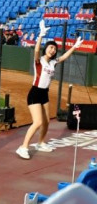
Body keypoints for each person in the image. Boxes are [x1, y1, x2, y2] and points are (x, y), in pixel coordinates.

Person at [15, 21, 83, 160]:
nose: (52, 50)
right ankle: (23, 147)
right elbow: (35, 50)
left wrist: (74, 46)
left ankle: (40, 143)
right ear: (46, 48)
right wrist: (41, 35)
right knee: (38, 122)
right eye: (51, 47)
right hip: (34, 93)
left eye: (54, 48)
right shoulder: (39, 61)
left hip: (44, 94)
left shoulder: (53, 62)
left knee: (46, 121)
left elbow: (63, 57)